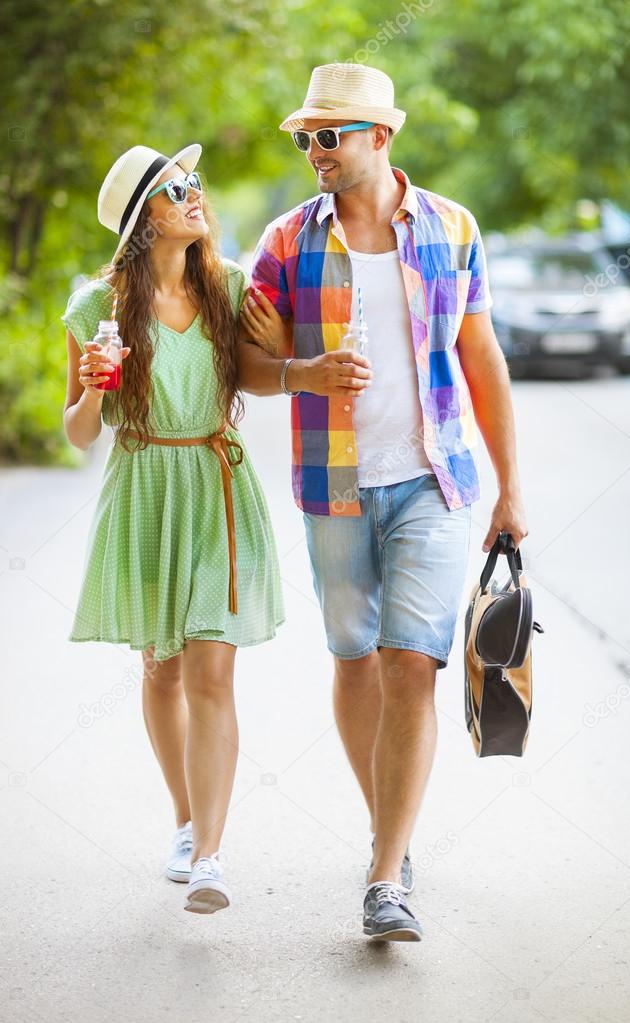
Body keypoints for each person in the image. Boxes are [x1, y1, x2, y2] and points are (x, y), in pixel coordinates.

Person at [239, 64, 528, 942]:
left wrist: (511, 487)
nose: (316, 151)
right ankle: (389, 837)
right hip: (333, 486)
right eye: (307, 138)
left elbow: (482, 360)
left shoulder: (451, 227)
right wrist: (304, 374)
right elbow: (244, 365)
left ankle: (383, 877)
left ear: (380, 137)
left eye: (332, 135)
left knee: (414, 662)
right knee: (355, 657)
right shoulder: (287, 242)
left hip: (434, 481)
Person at [62, 144, 284, 915]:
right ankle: (186, 821)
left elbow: (268, 363)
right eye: (175, 189)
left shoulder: (225, 288)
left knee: (211, 670)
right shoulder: (95, 306)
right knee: (161, 668)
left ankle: (212, 857)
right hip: (144, 486)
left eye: (194, 185)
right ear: (141, 221)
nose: (197, 195)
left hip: (216, 482)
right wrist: (91, 388)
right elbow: (79, 435)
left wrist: (290, 353)